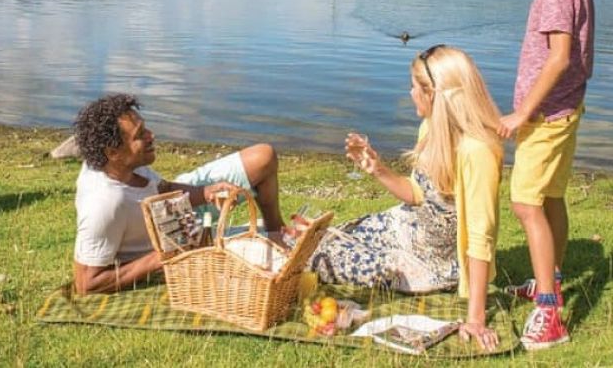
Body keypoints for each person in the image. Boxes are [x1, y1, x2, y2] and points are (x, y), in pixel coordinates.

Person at [309, 45, 503, 351]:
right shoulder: (431, 128)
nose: (410, 92)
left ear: (434, 94)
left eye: (415, 86)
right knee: (319, 237)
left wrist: (476, 318)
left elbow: (481, 237)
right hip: (403, 227)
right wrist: (378, 169)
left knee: (321, 259)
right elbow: (417, 194)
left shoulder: (477, 152)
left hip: (427, 262)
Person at [497, 0, 595, 351]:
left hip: (547, 114)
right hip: (566, 109)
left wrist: (521, 113)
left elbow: (558, 57)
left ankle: (549, 312)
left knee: (525, 203)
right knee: (551, 197)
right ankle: (547, 278)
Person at [71, 93, 283, 295]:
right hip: (176, 242)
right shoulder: (103, 204)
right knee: (285, 247)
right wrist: (164, 256)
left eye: (145, 128)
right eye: (140, 135)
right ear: (113, 152)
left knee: (263, 156)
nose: (151, 136)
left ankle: (277, 228)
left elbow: (162, 188)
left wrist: (206, 192)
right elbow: (86, 283)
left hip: (175, 208)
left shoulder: (120, 163)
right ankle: (278, 238)